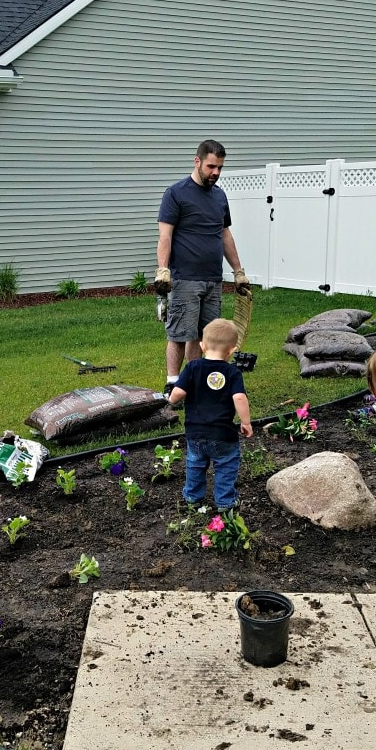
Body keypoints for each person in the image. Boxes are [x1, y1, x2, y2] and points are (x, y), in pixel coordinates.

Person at [155, 139, 250, 397]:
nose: (216, 173)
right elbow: (165, 236)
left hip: (212, 279)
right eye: (211, 166)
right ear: (197, 161)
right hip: (185, 278)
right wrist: (163, 269)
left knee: (206, 335)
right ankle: (173, 383)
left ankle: (196, 382)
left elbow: (225, 234)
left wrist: (238, 272)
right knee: (179, 333)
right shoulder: (176, 193)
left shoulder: (219, 196)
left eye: (219, 167)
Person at [168, 318, 253, 513]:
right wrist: (246, 422)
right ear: (232, 350)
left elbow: (179, 393)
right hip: (223, 434)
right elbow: (239, 398)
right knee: (226, 466)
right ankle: (225, 502)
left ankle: (192, 498)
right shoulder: (233, 372)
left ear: (203, 346)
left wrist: (170, 401)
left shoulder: (192, 367)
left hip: (195, 432)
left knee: (195, 465)